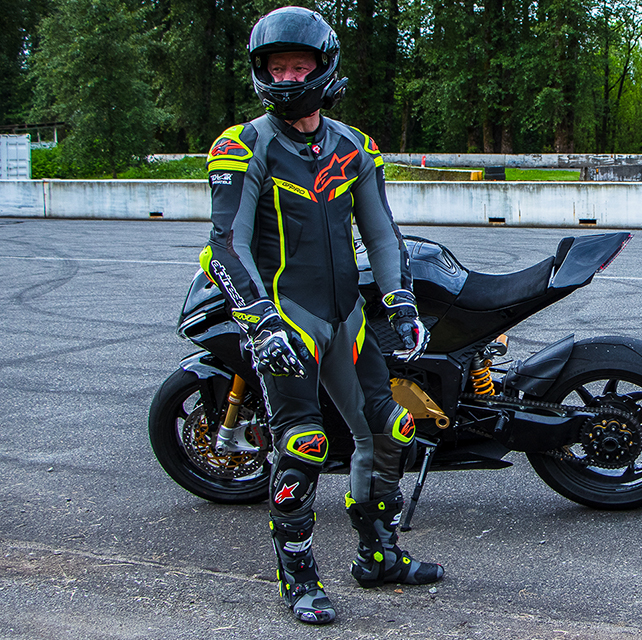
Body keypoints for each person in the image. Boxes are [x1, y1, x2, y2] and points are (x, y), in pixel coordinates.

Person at [199, 6, 443, 625]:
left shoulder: (354, 146)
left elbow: (382, 233)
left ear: (322, 68)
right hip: (285, 319)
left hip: (347, 318)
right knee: (303, 446)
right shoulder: (241, 145)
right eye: (274, 67)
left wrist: (402, 302)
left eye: (296, 65)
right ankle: (298, 577)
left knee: (394, 429)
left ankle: (379, 556)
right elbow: (223, 243)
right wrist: (259, 321)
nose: (285, 77)